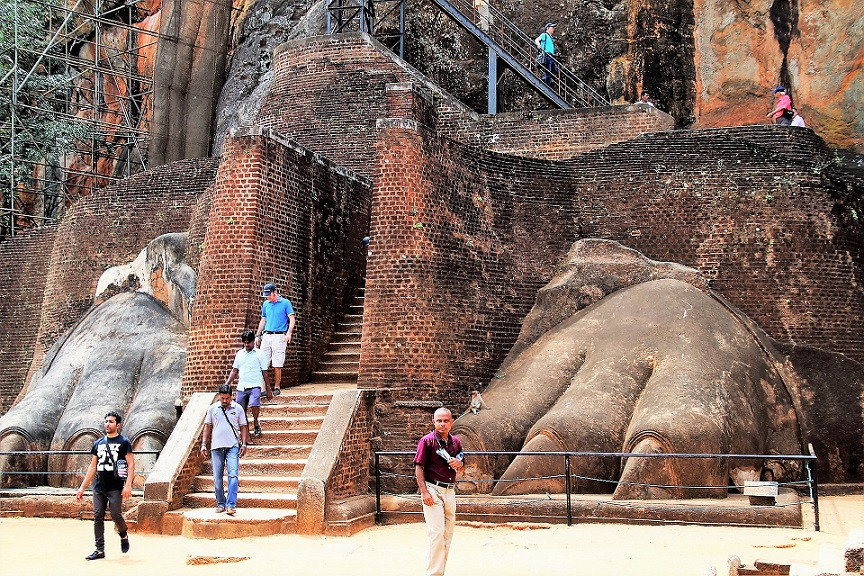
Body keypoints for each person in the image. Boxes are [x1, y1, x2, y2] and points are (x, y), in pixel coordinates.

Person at [75, 411, 135, 561]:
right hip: (99, 487)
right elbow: (92, 467)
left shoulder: (124, 442)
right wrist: (82, 487)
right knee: (97, 516)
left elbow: (131, 463)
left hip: (115, 486)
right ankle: (99, 549)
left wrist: (128, 485)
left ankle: (123, 533)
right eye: (106, 421)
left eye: (111, 422)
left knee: (116, 514)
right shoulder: (98, 443)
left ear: (118, 425)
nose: (107, 424)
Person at [414, 407, 465, 576]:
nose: (442, 424)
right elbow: (419, 467)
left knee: (447, 534)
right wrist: (424, 492)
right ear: (433, 422)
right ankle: (433, 574)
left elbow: (462, 467)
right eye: (439, 421)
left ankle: (440, 571)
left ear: (451, 422)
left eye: (445, 421)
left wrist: (459, 466)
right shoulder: (427, 441)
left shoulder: (456, 442)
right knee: (436, 533)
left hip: (450, 490)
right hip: (433, 488)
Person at [200, 384, 249, 515]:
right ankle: (221, 503)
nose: (225, 401)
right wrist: (204, 444)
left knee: (233, 475)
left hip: (233, 446)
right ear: (219, 397)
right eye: (222, 398)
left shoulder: (238, 408)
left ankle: (231, 504)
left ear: (231, 396)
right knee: (217, 478)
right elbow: (207, 427)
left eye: (227, 398)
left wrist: (243, 444)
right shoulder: (212, 409)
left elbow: (243, 426)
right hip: (216, 447)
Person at [225, 329, 271, 439]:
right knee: (241, 409)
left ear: (253, 341)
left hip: (255, 384)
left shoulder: (260, 354)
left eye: (248, 343)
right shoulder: (240, 354)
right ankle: (246, 433)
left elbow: (265, 373)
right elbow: (234, 370)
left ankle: (255, 422)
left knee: (254, 404)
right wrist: (227, 384)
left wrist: (269, 389)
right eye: (245, 343)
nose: (247, 345)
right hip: (242, 386)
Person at [254, 283, 296, 395]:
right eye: (266, 295)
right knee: (262, 362)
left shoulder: (285, 303)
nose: (268, 297)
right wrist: (258, 335)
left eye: (269, 295)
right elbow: (263, 320)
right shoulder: (266, 304)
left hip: (279, 335)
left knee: (277, 363)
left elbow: (292, 319)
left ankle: (277, 387)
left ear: (275, 292)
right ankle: (263, 389)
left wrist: (289, 333)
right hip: (267, 335)